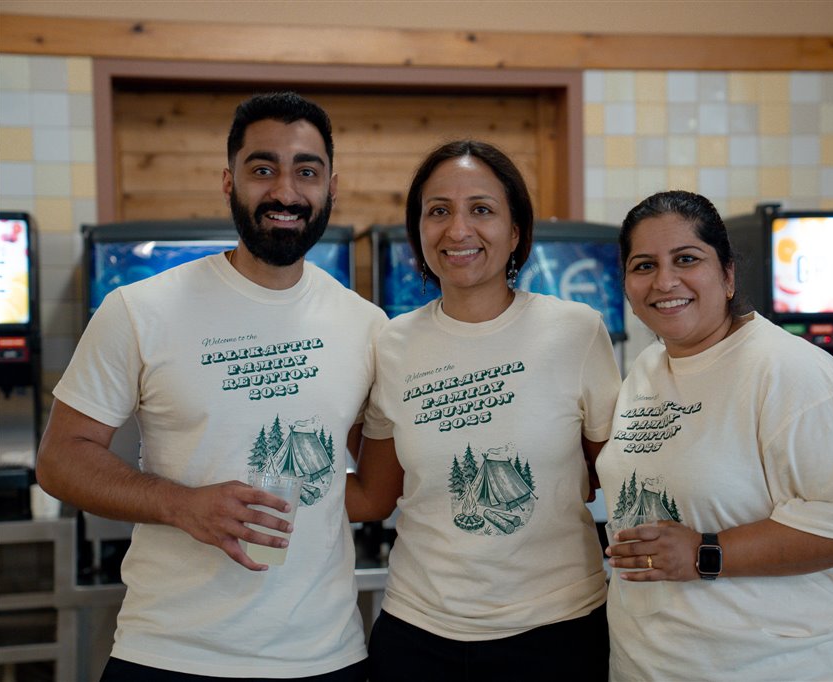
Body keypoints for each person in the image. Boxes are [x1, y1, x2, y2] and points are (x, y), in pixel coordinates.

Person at [35, 91, 386, 681]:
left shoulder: (366, 325)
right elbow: (60, 460)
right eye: (262, 169)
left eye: (307, 172)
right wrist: (181, 504)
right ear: (229, 181)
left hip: (324, 656)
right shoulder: (138, 309)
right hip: (169, 653)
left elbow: (372, 493)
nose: (286, 192)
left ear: (331, 187)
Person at [595, 190, 833, 681]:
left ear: (728, 274)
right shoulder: (647, 368)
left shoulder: (788, 369)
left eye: (686, 259)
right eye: (644, 265)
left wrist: (704, 552)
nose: (664, 281)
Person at [345, 140, 621, 681]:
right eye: (438, 211)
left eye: (481, 209)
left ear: (515, 231)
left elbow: (611, 472)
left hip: (558, 631)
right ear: (418, 231)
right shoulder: (393, 344)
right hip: (418, 634)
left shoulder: (576, 331)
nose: (458, 229)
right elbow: (376, 495)